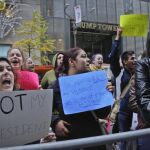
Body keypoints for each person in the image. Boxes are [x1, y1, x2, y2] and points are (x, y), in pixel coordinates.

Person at [49, 47, 114, 150]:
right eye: (83, 56)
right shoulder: (56, 86)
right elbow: (45, 112)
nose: (88, 59)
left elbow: (103, 114)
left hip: (94, 142)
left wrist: (106, 95)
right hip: (69, 142)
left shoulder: (94, 82)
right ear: (71, 61)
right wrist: (55, 122)